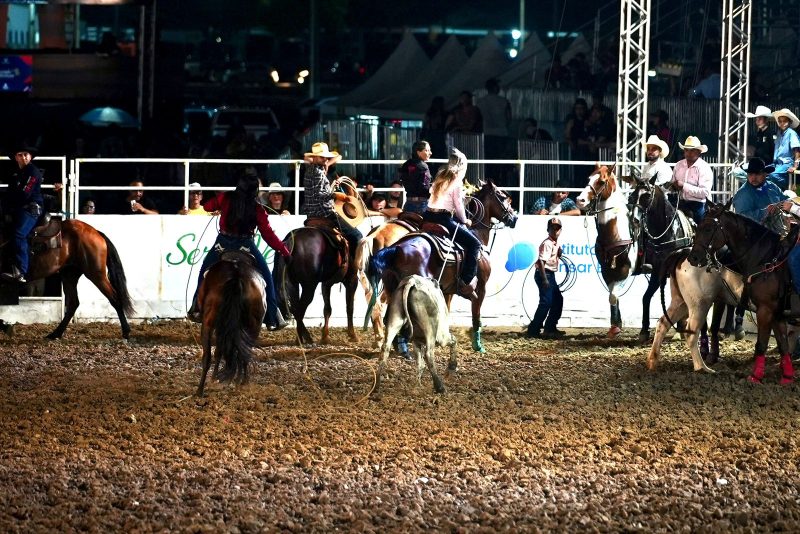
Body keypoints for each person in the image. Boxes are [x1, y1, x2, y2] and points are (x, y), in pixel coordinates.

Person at [187, 170, 291, 329]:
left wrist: (220, 206)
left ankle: (196, 308)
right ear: (255, 191)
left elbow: (207, 206)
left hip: (222, 243)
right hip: (246, 245)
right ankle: (272, 318)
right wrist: (284, 251)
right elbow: (268, 235)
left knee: (203, 271)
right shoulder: (258, 209)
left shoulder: (226, 198)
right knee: (268, 278)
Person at [422, 148, 481, 300]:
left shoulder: (440, 175)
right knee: (475, 244)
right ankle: (466, 281)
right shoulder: (457, 181)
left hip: (428, 216)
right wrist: (465, 220)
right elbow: (458, 206)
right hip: (443, 218)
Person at [302, 142, 363, 255]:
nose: (325, 159)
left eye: (327, 157)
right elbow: (320, 194)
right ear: (314, 157)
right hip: (325, 213)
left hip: (311, 214)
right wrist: (336, 195)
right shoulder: (318, 173)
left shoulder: (309, 169)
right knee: (357, 236)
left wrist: (326, 163)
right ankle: (355, 268)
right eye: (322, 157)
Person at [1, 145, 44, 282]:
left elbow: (24, 194)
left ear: (30, 157)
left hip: (31, 209)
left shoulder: (33, 172)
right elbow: (9, 193)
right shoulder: (16, 173)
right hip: (19, 208)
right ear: (16, 157)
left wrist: (9, 203)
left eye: (26, 154)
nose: (23, 157)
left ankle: (21, 271)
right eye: (20, 154)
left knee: (19, 234)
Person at [525, 217, 564, 339]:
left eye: (557, 229)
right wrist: (545, 279)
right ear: (548, 230)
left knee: (556, 300)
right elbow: (541, 262)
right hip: (545, 274)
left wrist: (558, 253)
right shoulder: (547, 243)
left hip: (549, 274)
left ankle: (548, 327)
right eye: (553, 229)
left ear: (560, 230)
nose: (555, 231)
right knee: (546, 302)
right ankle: (535, 328)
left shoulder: (554, 243)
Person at [669, 136, 714, 224]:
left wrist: (683, 186)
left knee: (702, 227)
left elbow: (704, 193)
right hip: (680, 202)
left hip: (698, 204)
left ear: (699, 152)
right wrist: (672, 187)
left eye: (692, 150)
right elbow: (672, 183)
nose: (688, 153)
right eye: (686, 150)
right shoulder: (679, 165)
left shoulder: (704, 168)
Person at [398, 140, 432, 214]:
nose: (430, 153)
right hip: (422, 205)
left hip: (408, 204)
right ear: (419, 152)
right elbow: (424, 187)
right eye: (427, 150)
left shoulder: (406, 164)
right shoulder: (423, 167)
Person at [770, 108, 800, 190]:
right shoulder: (779, 134)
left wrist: (795, 166)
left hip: (787, 163)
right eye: (780, 121)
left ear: (789, 122)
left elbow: (797, 150)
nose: (782, 123)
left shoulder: (791, 133)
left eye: (785, 121)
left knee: (772, 175)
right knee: (762, 173)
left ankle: (786, 184)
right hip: (777, 164)